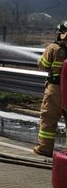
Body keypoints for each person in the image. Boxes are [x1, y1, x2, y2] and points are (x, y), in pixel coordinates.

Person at [33, 21, 67, 157]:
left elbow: (43, 65)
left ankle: (44, 148)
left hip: (55, 89)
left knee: (48, 118)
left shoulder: (54, 48)